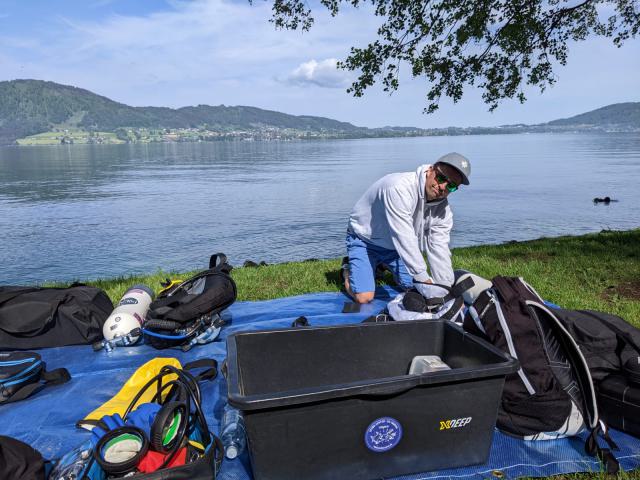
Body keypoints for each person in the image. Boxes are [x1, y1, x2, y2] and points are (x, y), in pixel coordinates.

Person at [343, 152, 471, 304]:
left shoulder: (444, 211)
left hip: (395, 249)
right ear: (430, 170)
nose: (443, 187)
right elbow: (403, 237)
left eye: (451, 185)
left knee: (416, 290)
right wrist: (424, 280)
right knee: (364, 297)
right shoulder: (398, 188)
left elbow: (439, 248)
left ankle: (380, 265)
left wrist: (445, 288)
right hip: (365, 240)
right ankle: (347, 268)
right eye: (441, 178)